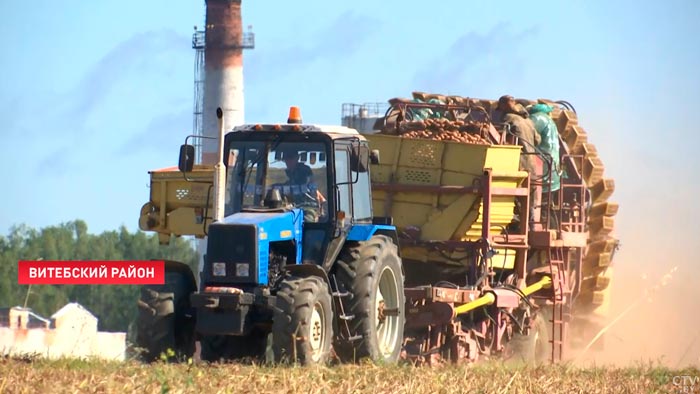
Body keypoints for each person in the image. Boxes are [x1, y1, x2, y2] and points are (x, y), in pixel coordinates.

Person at [496, 95, 542, 230]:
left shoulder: (508, 119)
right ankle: (530, 227)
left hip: (517, 165)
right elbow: (538, 140)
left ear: (504, 107)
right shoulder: (528, 121)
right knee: (530, 200)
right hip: (531, 165)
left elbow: (501, 141)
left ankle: (515, 228)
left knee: (514, 199)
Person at [529, 103, 561, 227]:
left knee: (542, 207)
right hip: (552, 170)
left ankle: (545, 231)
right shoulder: (550, 121)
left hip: (544, 170)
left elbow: (527, 130)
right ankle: (553, 231)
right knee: (547, 207)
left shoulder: (538, 118)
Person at [281, 150, 326, 222]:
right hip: (291, 208)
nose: (288, 161)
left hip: (307, 207)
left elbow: (307, 185)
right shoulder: (290, 175)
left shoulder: (303, 171)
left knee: (306, 220)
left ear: (297, 158)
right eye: (286, 158)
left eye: (290, 158)